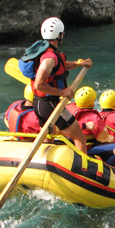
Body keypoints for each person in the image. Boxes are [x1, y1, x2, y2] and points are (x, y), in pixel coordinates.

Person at [30, 17, 93, 154]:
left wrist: (78, 64)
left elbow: (61, 66)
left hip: (38, 104)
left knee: (49, 137)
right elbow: (39, 84)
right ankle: (82, 171)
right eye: (62, 33)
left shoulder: (43, 51)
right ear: (58, 35)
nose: (63, 35)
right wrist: (62, 93)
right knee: (80, 138)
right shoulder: (49, 58)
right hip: (50, 105)